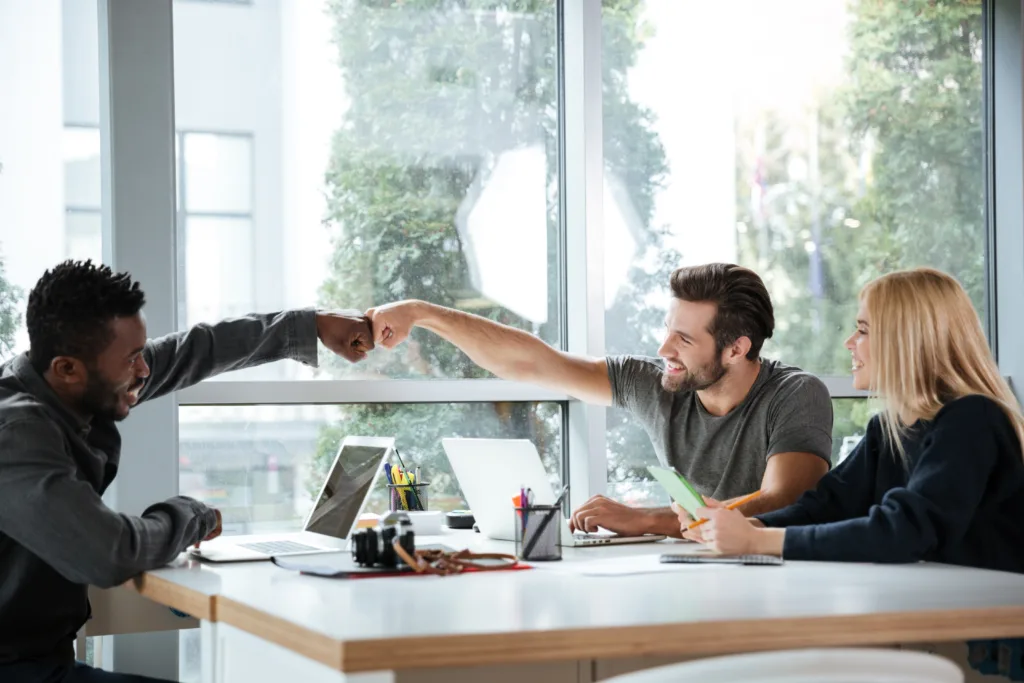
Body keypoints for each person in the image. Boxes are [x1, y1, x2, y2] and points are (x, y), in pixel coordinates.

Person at [0, 260, 374, 682]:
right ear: (67, 368)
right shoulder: (16, 432)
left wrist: (312, 326)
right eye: (132, 359)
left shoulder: (70, 383)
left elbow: (195, 350)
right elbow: (109, 552)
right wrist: (188, 517)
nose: (144, 370)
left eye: (141, 353)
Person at [368, 263, 833, 538]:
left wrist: (644, 519)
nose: (664, 349)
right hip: (698, 574)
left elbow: (785, 501)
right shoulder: (656, 382)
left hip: (777, 583)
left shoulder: (795, 394)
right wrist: (421, 313)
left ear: (737, 348)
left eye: (684, 340)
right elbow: (532, 362)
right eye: (667, 329)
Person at [680, 268, 1024, 573]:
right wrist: (742, 526)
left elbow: (903, 531)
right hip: (939, 611)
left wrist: (756, 541)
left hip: (990, 627)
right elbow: (826, 506)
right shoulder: (888, 430)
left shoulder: (972, 420)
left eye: (863, 330)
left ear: (905, 340)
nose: (849, 343)